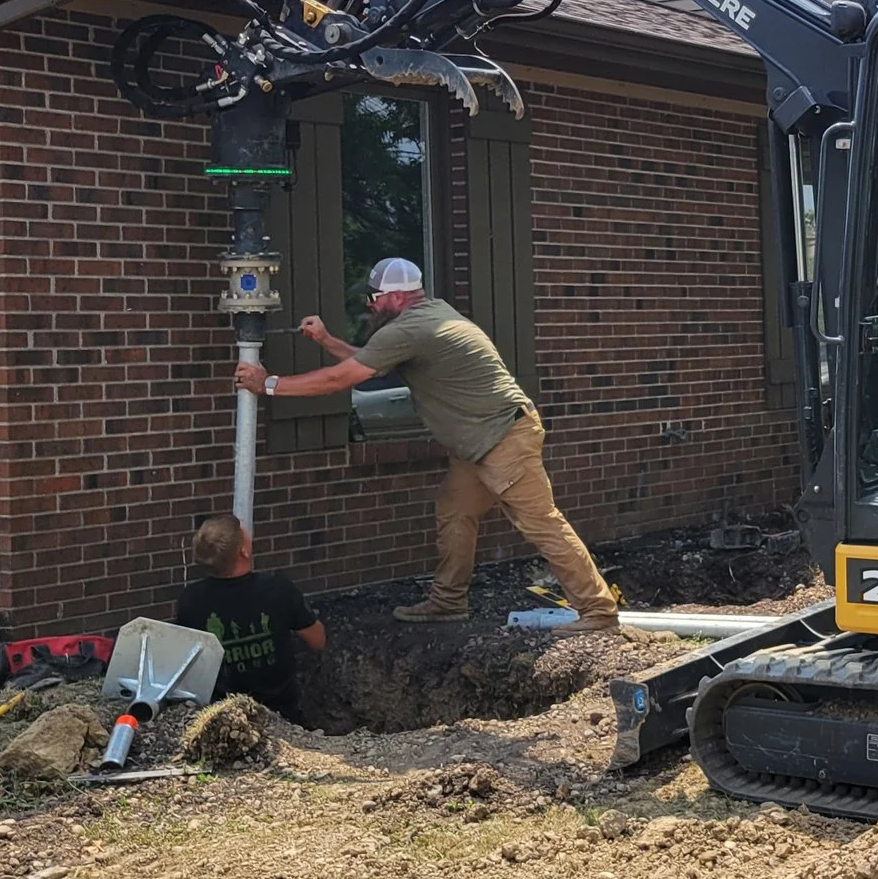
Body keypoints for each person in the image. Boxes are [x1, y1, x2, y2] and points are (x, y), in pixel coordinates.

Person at [234, 256, 620, 631]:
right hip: (479, 443)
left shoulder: (408, 329)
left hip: (502, 439)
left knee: (541, 524)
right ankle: (448, 602)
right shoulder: (431, 314)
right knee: (454, 512)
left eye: (374, 299)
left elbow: (342, 379)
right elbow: (373, 361)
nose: (371, 307)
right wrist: (326, 339)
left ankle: (598, 610)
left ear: (397, 297)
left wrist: (268, 384)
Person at [175, 514, 325, 721]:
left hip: (222, 716)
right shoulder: (277, 589)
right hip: (281, 714)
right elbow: (318, 640)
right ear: (243, 551)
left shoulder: (189, 600)